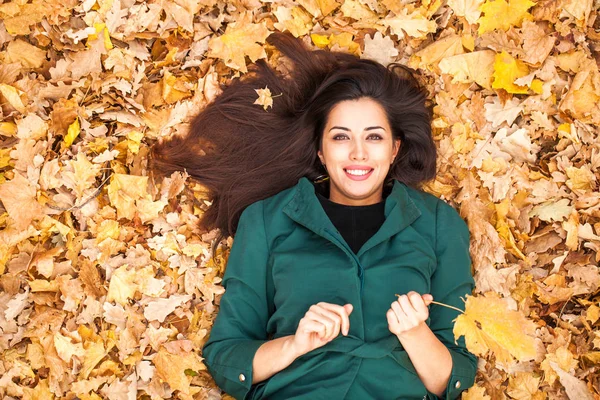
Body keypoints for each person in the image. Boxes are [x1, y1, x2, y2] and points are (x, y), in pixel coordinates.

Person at [150, 32, 477, 400]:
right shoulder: (266, 220)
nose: (357, 153)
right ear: (321, 151)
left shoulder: (437, 224)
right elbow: (227, 356)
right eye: (340, 137)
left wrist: (416, 334)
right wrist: (294, 344)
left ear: (395, 148)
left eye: (373, 137)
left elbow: (458, 374)